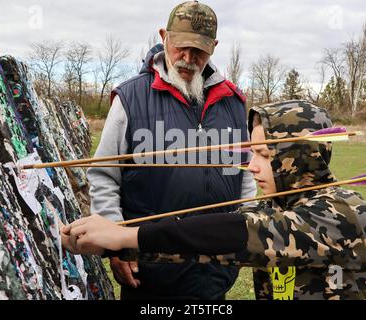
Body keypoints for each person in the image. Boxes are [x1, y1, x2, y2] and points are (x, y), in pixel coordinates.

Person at [64, 100, 366, 300]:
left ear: (299, 158)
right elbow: (201, 239)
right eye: (252, 152)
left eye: (264, 154)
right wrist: (113, 245)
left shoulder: (343, 213)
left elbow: (238, 234)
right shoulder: (274, 205)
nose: (251, 165)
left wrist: (123, 235)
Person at [87, 1, 256, 300]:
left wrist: (245, 236)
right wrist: (117, 245)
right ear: (164, 36)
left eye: (200, 50)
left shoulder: (232, 102)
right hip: (149, 270)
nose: (188, 58)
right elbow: (104, 176)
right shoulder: (130, 98)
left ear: (214, 47)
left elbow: (245, 177)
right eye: (180, 46)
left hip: (216, 269)